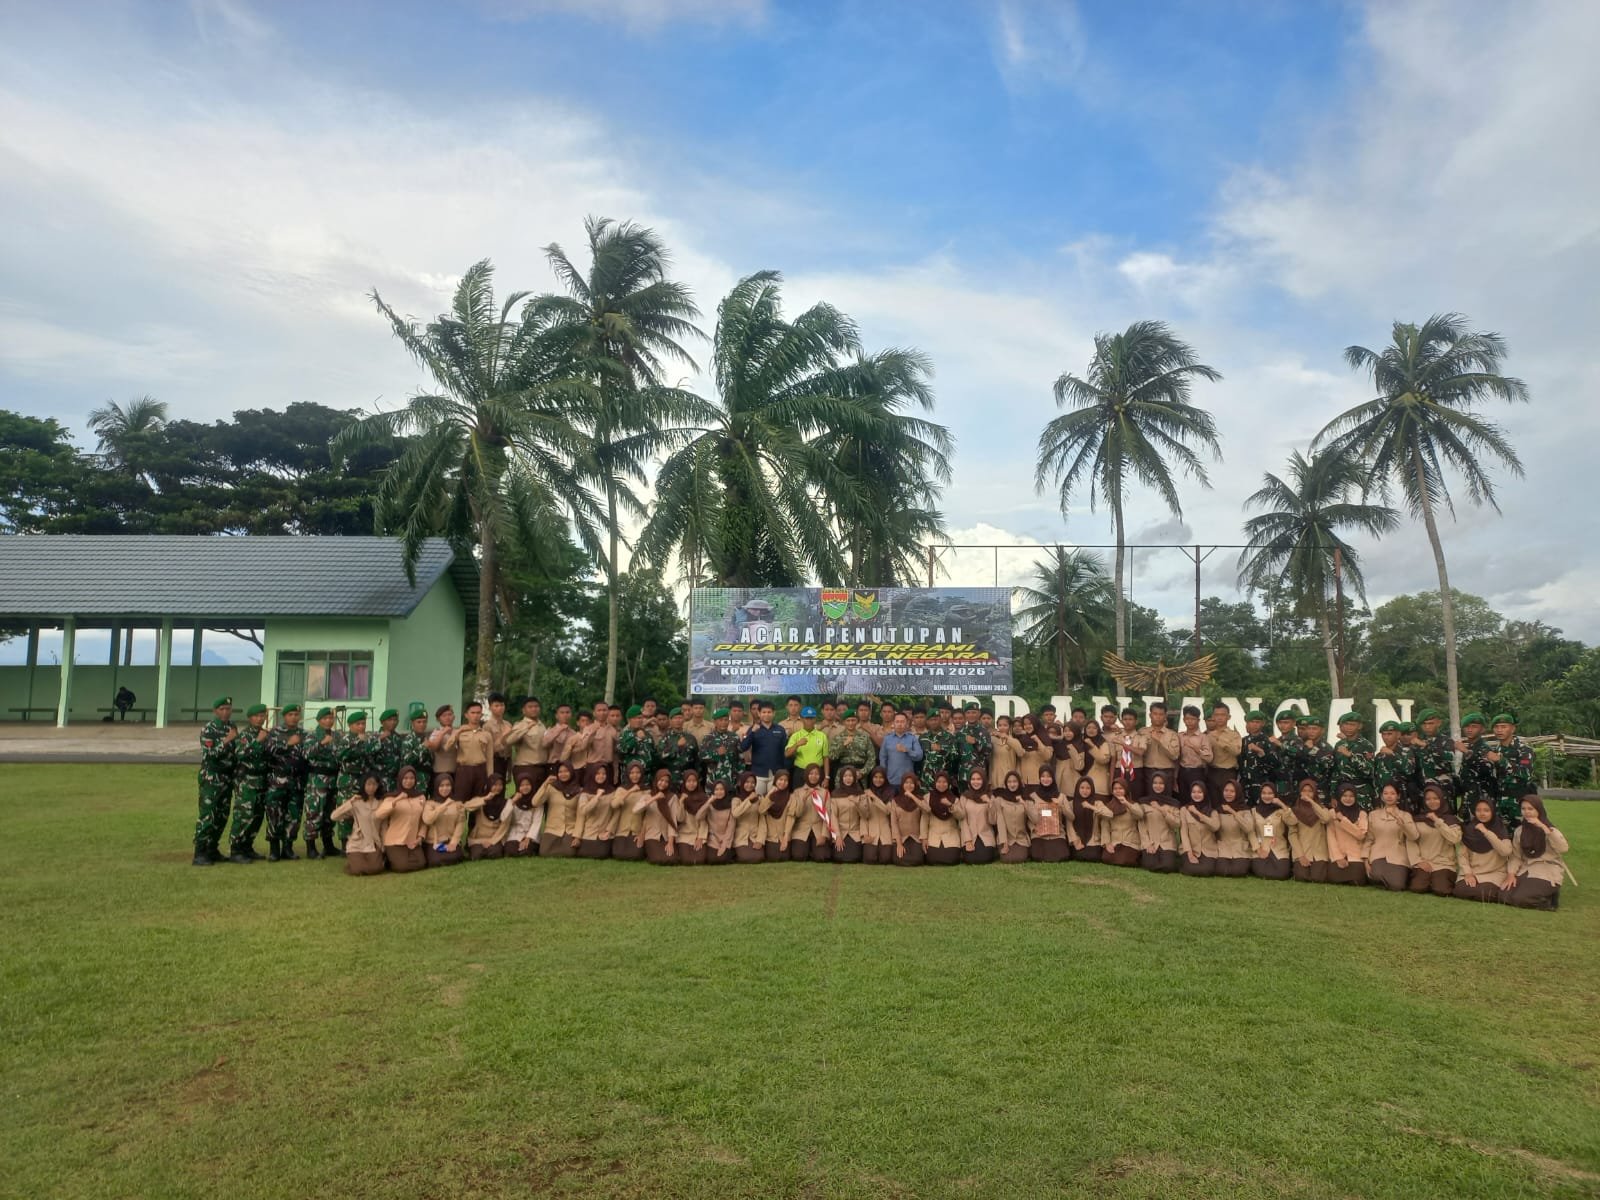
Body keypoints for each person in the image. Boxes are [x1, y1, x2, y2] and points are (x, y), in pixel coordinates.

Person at [192, 695, 238, 866]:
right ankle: (199, 852)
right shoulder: (209, 729)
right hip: (212, 777)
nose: (226, 712)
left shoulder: (232, 727)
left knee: (222, 816)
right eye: (222, 709)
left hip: (226, 777)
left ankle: (212, 848)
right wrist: (226, 740)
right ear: (215, 711)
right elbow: (209, 755)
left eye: (228, 709)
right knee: (208, 815)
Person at [1502, 795, 1570, 910]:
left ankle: (1549, 902)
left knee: (1520, 898)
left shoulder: (1550, 829)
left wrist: (1544, 828)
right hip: (1526, 869)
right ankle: (1538, 893)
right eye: (1523, 809)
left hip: (1546, 870)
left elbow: (1563, 848)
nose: (1527, 812)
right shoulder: (1520, 831)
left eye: (1530, 809)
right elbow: (1516, 856)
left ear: (1539, 809)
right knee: (1504, 895)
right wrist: (1511, 874)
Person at [229, 704, 272, 864]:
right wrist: (258, 741)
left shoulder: (266, 734)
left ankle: (247, 846)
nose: (260, 719)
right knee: (244, 815)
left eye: (262, 716)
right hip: (247, 781)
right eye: (256, 716)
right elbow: (240, 754)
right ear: (250, 718)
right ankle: (236, 849)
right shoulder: (245, 735)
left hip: (261, 780)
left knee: (257, 816)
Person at [264, 703, 306, 862]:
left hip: (297, 781)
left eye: (296, 715)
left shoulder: (303, 734)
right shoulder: (275, 732)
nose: (294, 718)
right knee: (275, 814)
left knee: (294, 815)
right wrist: (287, 744)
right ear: (284, 716)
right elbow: (268, 751)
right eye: (290, 715)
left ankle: (288, 848)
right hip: (278, 780)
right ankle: (274, 849)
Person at [301, 706, 342, 860]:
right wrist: (321, 744)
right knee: (314, 812)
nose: (328, 721)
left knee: (330, 814)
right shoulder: (312, 736)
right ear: (319, 720)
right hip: (317, 780)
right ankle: (311, 848)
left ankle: (328, 845)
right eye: (325, 718)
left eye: (331, 718)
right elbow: (306, 754)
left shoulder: (337, 736)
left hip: (333, 780)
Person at [1454, 798, 1513, 903]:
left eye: (1486, 810)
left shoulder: (1500, 829)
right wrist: (1468, 873)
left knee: (1484, 893)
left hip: (1494, 873)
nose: (1482, 813)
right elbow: (1463, 856)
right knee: (1459, 890)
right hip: (1473, 872)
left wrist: (1486, 832)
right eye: (1478, 810)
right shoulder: (1469, 829)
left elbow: (1505, 852)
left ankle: (1491, 891)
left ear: (1492, 811)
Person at [329, 773, 387, 876]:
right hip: (358, 842)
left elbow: (384, 827)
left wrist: (383, 847)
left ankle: (371, 861)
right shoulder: (357, 803)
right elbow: (334, 816)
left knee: (375, 869)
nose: (371, 787)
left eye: (374, 784)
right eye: (368, 784)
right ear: (363, 785)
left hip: (374, 842)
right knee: (358, 870)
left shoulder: (382, 803)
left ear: (378, 786)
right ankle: (353, 863)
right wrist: (350, 802)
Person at [374, 765, 428, 873]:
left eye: (411, 778)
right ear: (400, 779)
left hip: (413, 841)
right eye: (405, 778)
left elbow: (423, 821)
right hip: (395, 840)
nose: (409, 781)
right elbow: (379, 814)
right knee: (402, 867)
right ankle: (390, 858)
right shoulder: (391, 797)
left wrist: (420, 837)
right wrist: (397, 800)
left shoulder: (420, 797)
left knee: (421, 863)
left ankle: (397, 859)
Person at [1485, 714, 1534, 831]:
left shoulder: (1524, 750)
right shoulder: (1495, 751)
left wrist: (1501, 761)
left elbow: (1525, 774)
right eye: (1496, 727)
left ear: (1512, 728)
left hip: (1519, 806)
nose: (1499, 730)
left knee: (1521, 838)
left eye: (1503, 726)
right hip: (1499, 805)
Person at [1282, 779, 1333, 883]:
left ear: (1315, 793)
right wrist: (1301, 856)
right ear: (1300, 792)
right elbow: (1292, 835)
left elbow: (1326, 819)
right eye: (1304, 791)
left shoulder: (1322, 809)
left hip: (1319, 852)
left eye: (1310, 791)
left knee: (1318, 878)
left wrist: (1312, 802)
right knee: (1301, 877)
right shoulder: (1295, 811)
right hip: (1302, 851)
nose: (1307, 793)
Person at [1129, 771, 1180, 873]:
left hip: (1167, 842)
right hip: (1150, 842)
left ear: (1166, 785)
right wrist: (1147, 844)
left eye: (1161, 783)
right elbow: (1142, 826)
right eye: (1155, 783)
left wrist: (1162, 810)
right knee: (1149, 864)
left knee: (1168, 866)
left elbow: (1176, 824)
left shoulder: (1173, 804)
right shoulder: (1144, 802)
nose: (1158, 786)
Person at [1364, 783, 1411, 891]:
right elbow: (1369, 839)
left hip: (1398, 855)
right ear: (1381, 796)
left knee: (1397, 885)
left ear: (1398, 796)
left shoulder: (1405, 815)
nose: (1389, 796)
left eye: (1392, 793)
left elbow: (1414, 836)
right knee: (1375, 875)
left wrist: (1402, 824)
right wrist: (1365, 861)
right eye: (1385, 793)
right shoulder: (1373, 815)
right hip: (1378, 854)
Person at [534, 762, 583, 858]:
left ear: (571, 772)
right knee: (544, 852)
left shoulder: (579, 791)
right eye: (560, 772)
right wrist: (545, 784)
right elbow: (535, 802)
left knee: (570, 852)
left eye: (566, 771)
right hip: (553, 828)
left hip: (570, 829)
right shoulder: (551, 788)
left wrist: (577, 836)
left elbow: (581, 816)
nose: (563, 774)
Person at [503, 696, 550, 794]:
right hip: (526, 768)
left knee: (540, 798)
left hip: (542, 768)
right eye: (530, 707)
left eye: (536, 706)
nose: (534, 709)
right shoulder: (520, 725)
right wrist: (526, 728)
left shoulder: (542, 725)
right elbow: (509, 741)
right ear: (523, 710)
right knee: (525, 798)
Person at [740, 703, 789, 794]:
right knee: (757, 800)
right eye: (764, 712)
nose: (766, 714)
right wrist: (752, 733)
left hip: (776, 773)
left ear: (774, 713)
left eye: (769, 712)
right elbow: (743, 747)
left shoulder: (780, 730)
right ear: (759, 713)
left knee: (773, 800)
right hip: (758, 773)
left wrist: (783, 771)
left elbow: (784, 751)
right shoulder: (753, 729)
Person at [1023, 767, 1070, 863]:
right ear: (1039, 778)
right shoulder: (1033, 796)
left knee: (1062, 855)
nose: (1046, 779)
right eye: (1043, 776)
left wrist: (1060, 806)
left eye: (1048, 776)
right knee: (1037, 856)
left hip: (1057, 834)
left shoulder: (1061, 797)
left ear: (1053, 778)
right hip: (1039, 834)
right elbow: (1030, 819)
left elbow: (1071, 816)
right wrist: (1034, 828)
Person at [788, 763, 833, 862]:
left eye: (816, 774)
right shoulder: (797, 792)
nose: (814, 776)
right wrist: (803, 800)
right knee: (798, 856)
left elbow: (828, 815)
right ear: (806, 775)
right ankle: (807, 849)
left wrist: (824, 835)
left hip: (818, 829)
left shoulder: (825, 793)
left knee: (822, 857)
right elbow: (796, 814)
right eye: (811, 773)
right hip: (802, 829)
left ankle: (813, 850)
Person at [452, 701, 495, 805]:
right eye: (472, 713)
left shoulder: (486, 735)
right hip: (463, 770)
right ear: (466, 715)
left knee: (478, 802)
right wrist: (458, 732)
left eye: (478, 713)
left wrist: (490, 778)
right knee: (459, 802)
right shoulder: (459, 732)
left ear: (481, 715)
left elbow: (490, 758)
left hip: (480, 770)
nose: (475, 716)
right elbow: (448, 747)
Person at [1092, 778, 1141, 868]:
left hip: (1130, 841)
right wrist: (1107, 843)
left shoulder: (1133, 804)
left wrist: (1127, 804)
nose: (1118, 791)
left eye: (1120, 788)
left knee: (1126, 860)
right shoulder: (1109, 806)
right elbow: (1105, 826)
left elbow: (1140, 815)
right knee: (1106, 858)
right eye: (1115, 789)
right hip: (1115, 842)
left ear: (1125, 790)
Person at [1325, 785, 1369, 886]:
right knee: (1334, 878)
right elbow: (1331, 837)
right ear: (1339, 796)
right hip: (1338, 855)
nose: (1348, 799)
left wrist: (1342, 819)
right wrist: (1338, 857)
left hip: (1355, 855)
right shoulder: (1332, 813)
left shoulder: (1361, 813)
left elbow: (1361, 835)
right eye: (1345, 795)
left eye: (1351, 796)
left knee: (1358, 881)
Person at [1248, 783, 1292, 880]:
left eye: (1270, 793)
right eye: (1264, 793)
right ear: (1260, 794)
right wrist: (1258, 849)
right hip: (1261, 848)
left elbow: (1293, 821)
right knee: (1261, 872)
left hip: (1278, 847)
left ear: (1275, 794)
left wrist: (1281, 804)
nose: (1267, 796)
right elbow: (1251, 832)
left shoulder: (1281, 811)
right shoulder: (1254, 811)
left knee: (1282, 873)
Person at [573, 763, 617, 859]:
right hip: (588, 832)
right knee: (583, 853)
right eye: (598, 773)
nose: (601, 776)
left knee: (601, 854)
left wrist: (609, 831)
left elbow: (616, 813)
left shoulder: (612, 792)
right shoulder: (585, 793)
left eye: (604, 774)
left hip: (604, 833)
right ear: (592, 775)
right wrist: (597, 796)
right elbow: (583, 812)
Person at [1332, 712, 1375, 810]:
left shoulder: (1366, 745)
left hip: (1360, 792)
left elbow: (1369, 771)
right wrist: (1333, 794)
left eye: (1352, 725)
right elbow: (1335, 771)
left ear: (1359, 726)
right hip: (1342, 791)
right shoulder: (1339, 744)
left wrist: (1351, 756)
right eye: (1346, 724)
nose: (1349, 727)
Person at [955, 768, 998, 865]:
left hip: (986, 835)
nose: (976, 782)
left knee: (985, 858)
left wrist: (989, 803)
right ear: (969, 781)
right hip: (969, 835)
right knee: (971, 859)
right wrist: (967, 840)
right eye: (973, 779)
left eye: (979, 779)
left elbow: (993, 821)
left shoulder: (990, 797)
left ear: (984, 780)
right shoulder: (964, 797)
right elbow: (962, 820)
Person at [463, 775, 511, 860]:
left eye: (500, 785)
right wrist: (485, 799)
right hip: (478, 838)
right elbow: (466, 806)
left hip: (494, 837)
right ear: (489, 785)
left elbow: (504, 826)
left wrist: (492, 841)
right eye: (495, 785)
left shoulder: (506, 803)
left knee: (494, 853)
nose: (498, 787)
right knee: (477, 854)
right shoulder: (480, 799)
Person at [421, 774, 465, 866]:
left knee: (456, 856)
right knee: (435, 861)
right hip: (434, 842)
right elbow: (427, 820)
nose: (445, 788)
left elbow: (460, 823)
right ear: (436, 787)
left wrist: (454, 842)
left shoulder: (457, 803)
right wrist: (443, 806)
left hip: (450, 840)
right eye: (441, 786)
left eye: (448, 785)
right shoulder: (430, 803)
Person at [1179, 780, 1220, 877]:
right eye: (1194, 792)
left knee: (1206, 870)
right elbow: (1183, 833)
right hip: (1191, 849)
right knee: (1191, 867)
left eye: (1199, 792)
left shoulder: (1212, 812)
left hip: (1208, 850)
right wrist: (1189, 853)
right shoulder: (1184, 810)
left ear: (1204, 794)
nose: (1196, 795)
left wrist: (1197, 813)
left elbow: (1215, 827)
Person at [637, 769, 678, 865]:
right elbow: (637, 810)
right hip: (651, 834)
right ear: (656, 780)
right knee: (657, 859)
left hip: (666, 835)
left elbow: (672, 820)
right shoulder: (648, 795)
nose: (663, 783)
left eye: (666, 781)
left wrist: (670, 842)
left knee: (672, 859)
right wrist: (655, 798)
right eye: (661, 780)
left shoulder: (672, 797)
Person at [1213, 780, 1253, 877]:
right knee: (1222, 870)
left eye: (1232, 791)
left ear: (1238, 793)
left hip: (1240, 847)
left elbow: (1248, 828)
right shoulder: (1218, 810)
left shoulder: (1245, 810)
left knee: (1238, 871)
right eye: (1226, 790)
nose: (1228, 794)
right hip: (1223, 847)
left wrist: (1232, 812)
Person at [921, 772, 963, 866]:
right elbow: (924, 819)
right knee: (932, 859)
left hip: (950, 834)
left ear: (948, 783)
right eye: (939, 782)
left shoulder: (954, 799)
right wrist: (924, 838)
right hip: (933, 834)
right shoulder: (927, 797)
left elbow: (960, 816)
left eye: (944, 782)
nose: (941, 784)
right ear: (935, 782)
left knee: (951, 859)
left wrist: (950, 805)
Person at [610, 762, 648, 861]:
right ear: (627, 774)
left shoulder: (647, 791)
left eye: (638, 772)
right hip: (622, 829)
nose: (635, 775)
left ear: (642, 774)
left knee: (635, 855)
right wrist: (630, 791)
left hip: (637, 830)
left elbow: (648, 815)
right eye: (632, 773)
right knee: (618, 854)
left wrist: (642, 834)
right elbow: (614, 805)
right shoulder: (621, 789)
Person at [992, 771, 1030, 864]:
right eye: (1009, 782)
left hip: (1021, 838)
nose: (1012, 784)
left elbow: (1035, 819)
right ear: (1005, 784)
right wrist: (1004, 842)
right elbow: (1000, 821)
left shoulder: (1026, 799)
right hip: (1007, 838)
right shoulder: (999, 800)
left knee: (1020, 858)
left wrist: (1024, 803)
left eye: (1015, 781)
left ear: (1019, 783)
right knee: (1007, 858)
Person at [674, 769, 711, 865]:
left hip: (698, 833)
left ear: (697, 782)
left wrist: (701, 837)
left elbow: (704, 820)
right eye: (688, 781)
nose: (691, 784)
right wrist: (681, 802)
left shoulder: (703, 798)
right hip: (684, 834)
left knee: (700, 860)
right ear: (684, 783)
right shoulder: (679, 798)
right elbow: (680, 818)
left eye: (694, 781)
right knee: (687, 860)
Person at [859, 766, 895, 865]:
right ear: (871, 778)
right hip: (871, 831)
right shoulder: (866, 793)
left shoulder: (890, 793)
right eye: (875, 777)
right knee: (869, 859)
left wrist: (874, 797)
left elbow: (887, 811)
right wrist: (864, 835)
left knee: (886, 859)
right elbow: (863, 816)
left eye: (881, 777)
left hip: (885, 831)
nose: (878, 780)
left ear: (885, 779)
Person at [1176, 707, 1213, 801]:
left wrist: (1196, 749)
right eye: (1187, 719)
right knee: (1183, 799)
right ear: (1184, 720)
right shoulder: (1180, 736)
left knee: (1197, 799)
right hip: (1182, 771)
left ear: (1198, 720)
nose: (1190, 721)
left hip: (1197, 772)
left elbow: (1209, 758)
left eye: (1193, 719)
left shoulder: (1203, 737)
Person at [878, 712, 924, 787]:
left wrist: (907, 750)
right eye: (897, 721)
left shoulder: (912, 738)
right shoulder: (887, 739)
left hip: (908, 782)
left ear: (907, 723)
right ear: (893, 723)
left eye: (902, 722)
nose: (900, 724)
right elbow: (883, 759)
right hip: (891, 780)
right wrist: (884, 775)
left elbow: (919, 756)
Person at [730, 773, 767, 864]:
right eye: (747, 782)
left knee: (758, 857)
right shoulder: (736, 799)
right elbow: (735, 813)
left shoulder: (759, 799)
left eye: (753, 782)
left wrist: (760, 840)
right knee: (746, 857)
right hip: (741, 836)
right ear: (742, 783)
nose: (750, 785)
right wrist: (749, 800)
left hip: (754, 836)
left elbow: (762, 821)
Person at [890, 775, 928, 866]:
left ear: (915, 785)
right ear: (902, 784)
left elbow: (927, 809)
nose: (909, 785)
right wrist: (899, 843)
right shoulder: (895, 801)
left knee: (917, 860)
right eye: (906, 783)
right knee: (899, 860)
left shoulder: (920, 799)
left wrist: (912, 796)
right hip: (901, 837)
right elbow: (894, 823)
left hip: (915, 837)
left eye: (912, 783)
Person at [830, 766, 866, 863]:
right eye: (845, 776)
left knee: (854, 857)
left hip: (855, 832)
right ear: (841, 778)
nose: (848, 778)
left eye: (850, 776)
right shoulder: (835, 794)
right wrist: (837, 836)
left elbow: (865, 815)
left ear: (854, 778)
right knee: (838, 857)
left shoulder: (861, 794)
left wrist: (857, 803)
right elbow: (833, 816)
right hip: (841, 832)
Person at [785, 707, 830, 782]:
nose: (809, 721)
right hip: (800, 772)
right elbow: (787, 754)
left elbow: (825, 758)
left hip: (817, 772)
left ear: (815, 719)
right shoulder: (796, 736)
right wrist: (797, 744)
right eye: (807, 718)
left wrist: (827, 777)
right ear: (802, 719)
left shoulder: (822, 736)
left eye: (811, 718)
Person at [1206, 703, 1242, 798]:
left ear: (1228, 717)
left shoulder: (1234, 735)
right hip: (1212, 772)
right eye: (1217, 715)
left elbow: (1237, 751)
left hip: (1228, 773)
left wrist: (1220, 739)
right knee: (1214, 801)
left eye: (1222, 715)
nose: (1219, 718)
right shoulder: (1208, 736)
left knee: (1228, 801)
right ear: (1213, 717)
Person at [503, 775, 541, 858]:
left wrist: (528, 838)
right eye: (522, 785)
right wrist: (513, 801)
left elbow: (536, 822)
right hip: (515, 833)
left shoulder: (537, 801)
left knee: (526, 851)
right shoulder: (513, 800)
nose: (525, 787)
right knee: (511, 851)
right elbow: (503, 817)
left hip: (530, 834)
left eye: (527, 784)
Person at [761, 769, 794, 861]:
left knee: (784, 857)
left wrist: (786, 837)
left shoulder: (791, 797)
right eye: (780, 780)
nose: (783, 783)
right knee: (773, 857)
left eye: (786, 780)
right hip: (771, 836)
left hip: (784, 835)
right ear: (775, 780)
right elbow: (761, 810)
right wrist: (769, 795)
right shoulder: (766, 796)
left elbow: (791, 818)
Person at [1069, 776, 1103, 863]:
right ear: (1077, 788)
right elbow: (1069, 824)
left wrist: (1091, 807)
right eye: (1082, 788)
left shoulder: (1097, 803)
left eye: (1088, 788)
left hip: (1092, 839)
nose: (1085, 791)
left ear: (1092, 789)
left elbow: (1109, 814)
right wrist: (1075, 840)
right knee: (1078, 855)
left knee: (1093, 856)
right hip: (1077, 838)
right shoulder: (1071, 804)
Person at [703, 780, 737, 865]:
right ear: (713, 791)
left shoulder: (730, 805)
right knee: (712, 859)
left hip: (726, 838)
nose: (719, 792)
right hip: (712, 838)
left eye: (722, 789)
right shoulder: (710, 804)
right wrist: (708, 802)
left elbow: (731, 828)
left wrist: (724, 844)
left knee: (722, 859)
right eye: (716, 789)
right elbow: (698, 817)